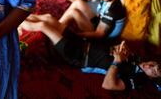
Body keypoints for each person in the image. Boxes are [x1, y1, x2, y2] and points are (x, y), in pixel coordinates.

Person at [18, 16, 161, 91]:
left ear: (152, 79)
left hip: (77, 55)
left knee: (43, 26)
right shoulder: (139, 60)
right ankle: (19, 15)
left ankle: (13, 21)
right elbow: (116, 51)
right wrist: (120, 49)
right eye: (154, 65)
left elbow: (109, 85)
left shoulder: (138, 79)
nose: (150, 66)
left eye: (154, 72)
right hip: (82, 43)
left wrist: (117, 61)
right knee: (49, 17)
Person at [59, 0, 125, 40]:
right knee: (77, 2)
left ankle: (56, 28)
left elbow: (99, 34)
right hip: (99, 20)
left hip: (98, 33)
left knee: (73, 12)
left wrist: (76, 36)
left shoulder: (113, 10)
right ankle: (56, 27)